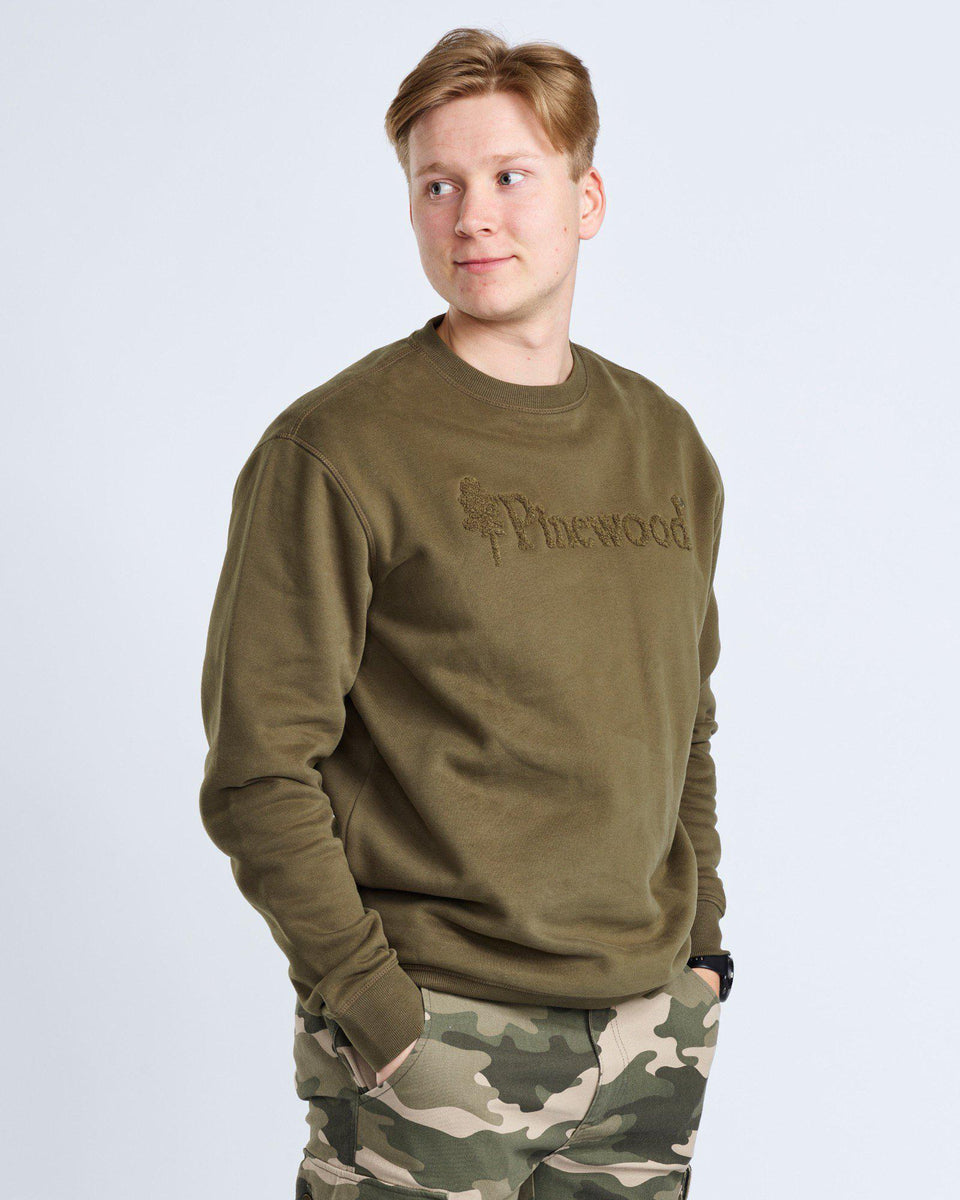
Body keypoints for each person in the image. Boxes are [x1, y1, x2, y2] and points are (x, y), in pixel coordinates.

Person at [199, 25, 734, 1200]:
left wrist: (701, 961)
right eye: (436, 184)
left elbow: (683, 725)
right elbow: (258, 771)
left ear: (586, 199)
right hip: (435, 1041)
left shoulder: (666, 445)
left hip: (648, 1041)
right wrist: (380, 1014)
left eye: (510, 176)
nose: (471, 216)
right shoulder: (335, 450)